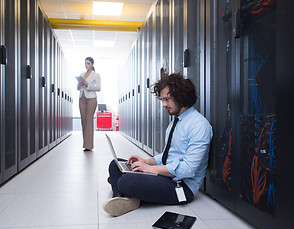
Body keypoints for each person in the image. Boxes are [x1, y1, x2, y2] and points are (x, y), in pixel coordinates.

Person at [103, 72, 213, 217]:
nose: (164, 105)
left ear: (181, 96)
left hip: (181, 186)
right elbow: (168, 155)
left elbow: (188, 169)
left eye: (167, 99)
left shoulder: (199, 125)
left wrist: (149, 169)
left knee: (126, 180)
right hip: (166, 176)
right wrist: (145, 161)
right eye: (162, 100)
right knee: (115, 164)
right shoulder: (176, 121)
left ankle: (122, 190)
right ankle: (123, 196)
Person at [78, 57, 101, 151]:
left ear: (92, 64)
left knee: (89, 120)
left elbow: (98, 87)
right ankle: (85, 143)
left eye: (88, 63)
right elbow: (79, 88)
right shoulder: (82, 74)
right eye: (85, 63)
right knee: (83, 120)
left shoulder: (96, 75)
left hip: (91, 98)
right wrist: (79, 85)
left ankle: (89, 146)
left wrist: (88, 85)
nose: (86, 65)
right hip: (82, 97)